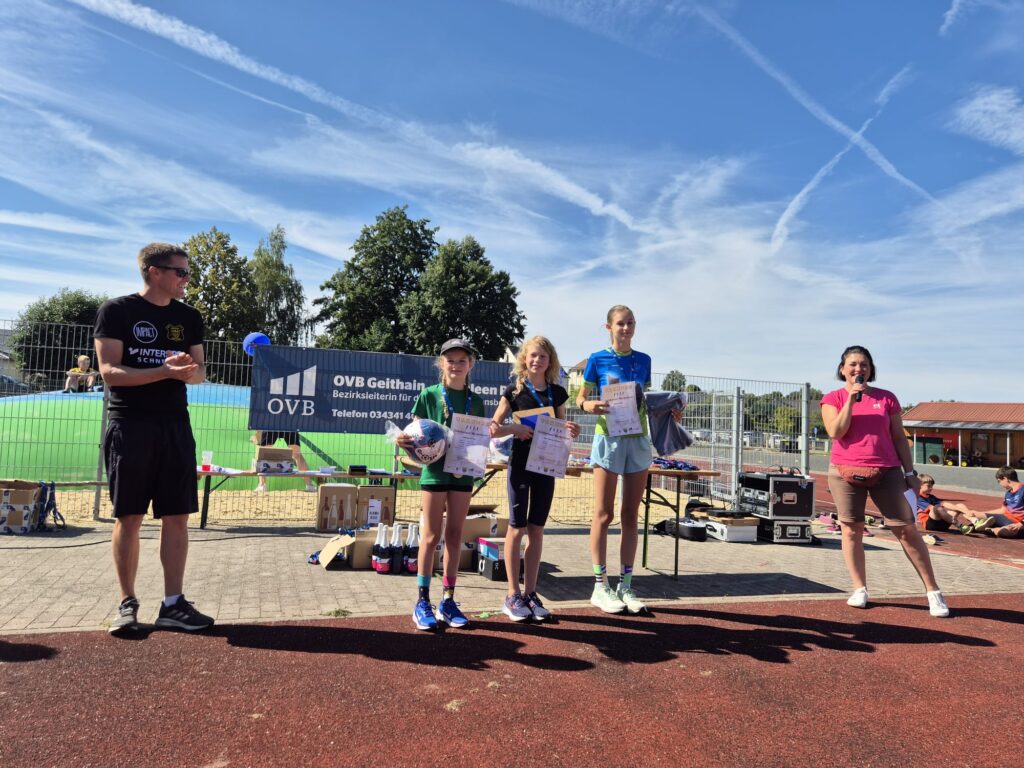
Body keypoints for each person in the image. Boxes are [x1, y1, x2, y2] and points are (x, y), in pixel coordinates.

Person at [94, 242, 214, 636]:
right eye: (181, 272)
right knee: (129, 516)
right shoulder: (117, 311)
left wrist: (187, 371)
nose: (186, 279)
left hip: (175, 425)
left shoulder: (188, 317)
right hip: (130, 425)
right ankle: (127, 603)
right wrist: (164, 371)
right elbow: (110, 372)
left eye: (188, 272)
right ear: (154, 272)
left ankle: (173, 604)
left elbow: (200, 372)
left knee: (177, 516)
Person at [821, 345, 949, 617]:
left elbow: (899, 437)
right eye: (853, 364)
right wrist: (851, 400)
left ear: (871, 369)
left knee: (906, 529)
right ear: (842, 369)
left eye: (864, 364)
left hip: (887, 470)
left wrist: (910, 473)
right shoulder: (832, 398)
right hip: (844, 471)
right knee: (851, 530)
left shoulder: (887, 398)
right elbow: (836, 432)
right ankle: (859, 588)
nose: (859, 369)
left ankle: (933, 592)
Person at [577, 304, 678, 615]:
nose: (626, 328)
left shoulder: (644, 360)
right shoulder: (596, 359)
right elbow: (580, 398)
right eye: (620, 323)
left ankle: (626, 585)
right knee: (603, 514)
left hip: (637, 439)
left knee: (631, 515)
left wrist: (670, 410)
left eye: (630, 323)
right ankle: (600, 586)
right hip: (608, 439)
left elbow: (644, 401)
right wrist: (588, 406)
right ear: (608, 327)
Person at [490, 336, 580, 622]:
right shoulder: (514, 391)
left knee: (537, 530)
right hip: (519, 465)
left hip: (546, 466)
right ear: (524, 358)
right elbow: (493, 428)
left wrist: (572, 430)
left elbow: (563, 428)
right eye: (532, 355)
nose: (537, 360)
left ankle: (530, 593)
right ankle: (512, 594)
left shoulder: (558, 393)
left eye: (542, 356)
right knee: (516, 528)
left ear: (550, 361)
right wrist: (514, 429)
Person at [397, 338, 485, 631]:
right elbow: (414, 435)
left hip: (462, 473)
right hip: (434, 473)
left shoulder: (477, 401)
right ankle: (422, 601)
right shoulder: (429, 395)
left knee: (455, 536)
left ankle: (448, 600)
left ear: (470, 365)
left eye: (462, 360)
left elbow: (479, 439)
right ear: (441, 364)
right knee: (430, 536)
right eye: (450, 360)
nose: (456, 365)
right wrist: (403, 441)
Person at [916, 474, 993, 535]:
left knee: (960, 505)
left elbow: (945, 504)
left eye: (932, 486)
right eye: (928, 486)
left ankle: (975, 521)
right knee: (937, 507)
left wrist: (966, 511)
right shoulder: (917, 497)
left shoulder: (931, 497)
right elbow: (933, 508)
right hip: (931, 525)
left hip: (943, 524)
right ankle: (960, 526)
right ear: (919, 485)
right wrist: (948, 515)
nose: (931, 488)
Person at [974, 466, 1024, 538]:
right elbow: (1002, 510)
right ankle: (988, 528)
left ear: (1005, 478)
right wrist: (983, 513)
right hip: (1006, 519)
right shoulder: (1008, 493)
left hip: (1018, 523)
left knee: (1003, 532)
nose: (1000, 484)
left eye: (999, 481)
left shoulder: (1022, 490)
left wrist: (1020, 524)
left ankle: (990, 529)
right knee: (972, 516)